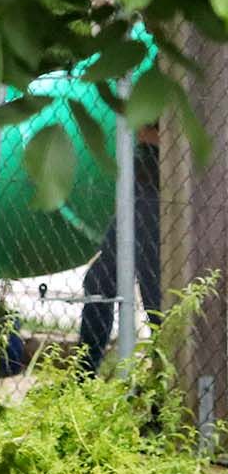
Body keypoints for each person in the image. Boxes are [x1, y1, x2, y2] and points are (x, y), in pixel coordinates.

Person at [77, 126, 162, 377]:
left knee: (154, 291)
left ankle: (166, 381)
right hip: (140, 188)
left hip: (160, 191)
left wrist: (145, 131)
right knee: (100, 280)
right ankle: (83, 375)